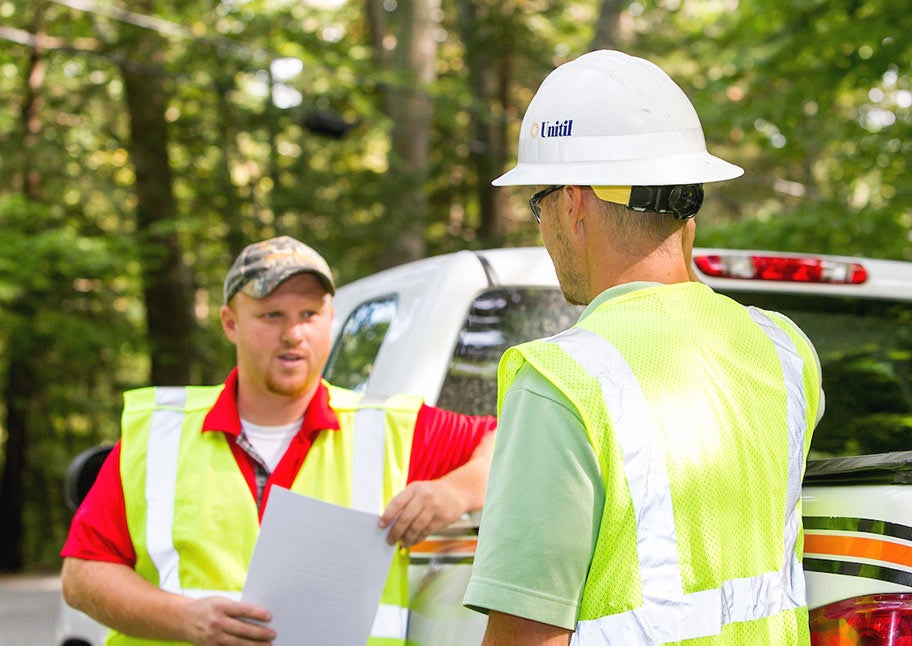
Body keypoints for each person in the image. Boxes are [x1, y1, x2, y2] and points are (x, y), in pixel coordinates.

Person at [463, 50, 824, 645]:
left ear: (573, 202)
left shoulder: (562, 381)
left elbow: (527, 635)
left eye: (538, 204)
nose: (542, 225)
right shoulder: (784, 351)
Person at [61, 235, 496, 646]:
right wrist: (185, 619)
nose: (294, 334)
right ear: (230, 323)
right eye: (272, 316)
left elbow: (513, 444)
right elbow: (82, 575)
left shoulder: (390, 429)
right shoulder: (158, 432)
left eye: (310, 314)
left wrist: (455, 489)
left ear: (329, 319)